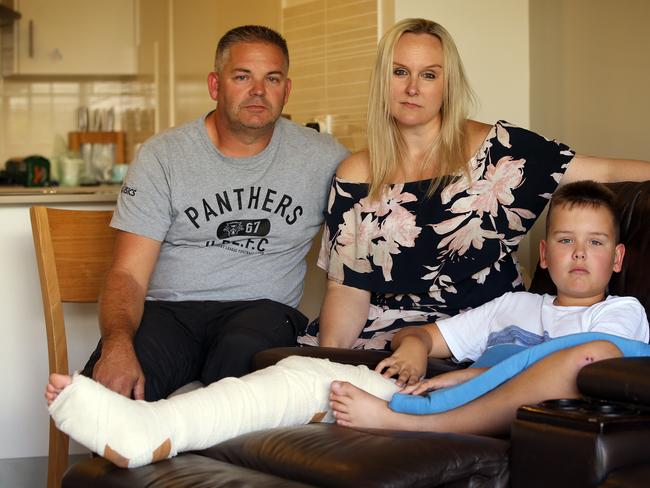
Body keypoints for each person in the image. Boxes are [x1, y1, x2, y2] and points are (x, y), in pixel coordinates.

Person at [45, 180, 649, 469]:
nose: (578, 253)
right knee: (305, 371)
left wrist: (451, 389)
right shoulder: (515, 306)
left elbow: (583, 358)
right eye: (564, 240)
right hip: (440, 396)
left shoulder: (621, 313)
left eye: (595, 243)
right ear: (542, 256)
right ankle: (153, 429)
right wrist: (415, 351)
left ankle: (402, 421)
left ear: (617, 260)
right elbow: (431, 337)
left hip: (464, 411)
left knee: (579, 358)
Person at [298, 18, 650, 351]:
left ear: (447, 84)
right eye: (400, 72)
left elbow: (601, 170)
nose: (412, 88)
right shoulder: (356, 173)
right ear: (382, 81)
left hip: (478, 337)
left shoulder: (500, 150)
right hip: (384, 336)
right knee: (305, 383)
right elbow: (347, 289)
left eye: (429, 75)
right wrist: (332, 362)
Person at [83, 25, 349, 401]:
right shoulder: (164, 156)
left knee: (238, 369)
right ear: (215, 85)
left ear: (286, 90)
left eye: (272, 79)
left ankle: (199, 451)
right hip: (170, 313)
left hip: (262, 313)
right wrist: (116, 346)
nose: (258, 90)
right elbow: (127, 272)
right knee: (109, 397)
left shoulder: (324, 157)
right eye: (242, 76)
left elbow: (378, 208)